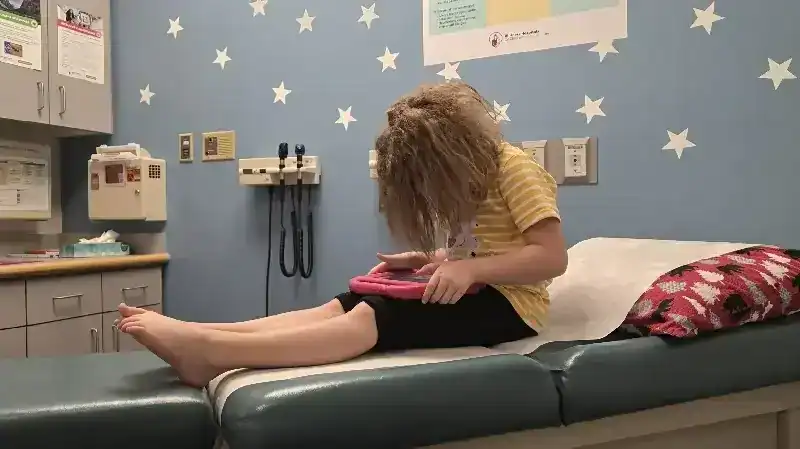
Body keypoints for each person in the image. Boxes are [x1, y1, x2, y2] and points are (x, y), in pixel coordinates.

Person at [116, 82, 568, 388]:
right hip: (478, 288)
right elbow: (480, 247)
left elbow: (551, 257)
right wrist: (430, 259)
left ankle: (213, 353)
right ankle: (202, 332)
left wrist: (471, 270)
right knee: (344, 303)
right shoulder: (468, 178)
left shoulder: (515, 169)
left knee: (375, 315)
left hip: (513, 306)